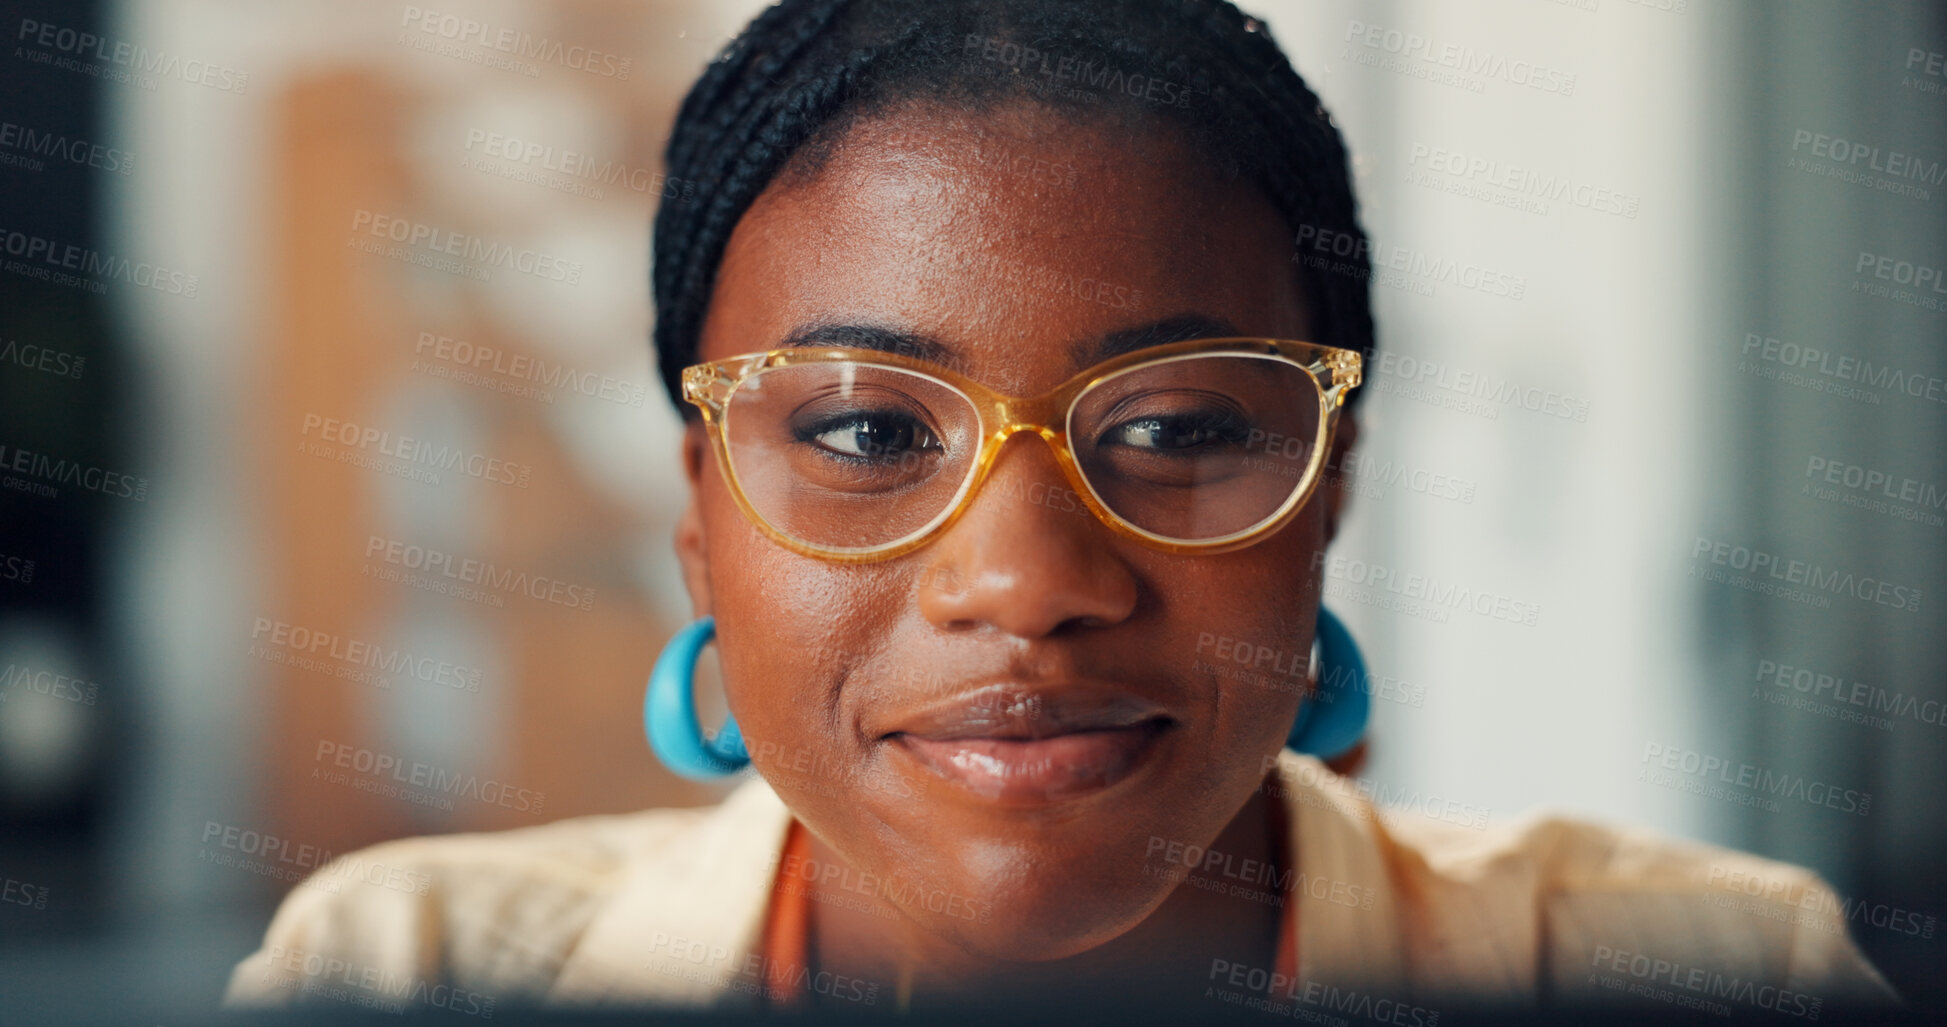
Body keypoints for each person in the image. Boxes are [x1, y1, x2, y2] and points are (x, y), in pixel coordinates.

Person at [225, 0, 1895, 1015]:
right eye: (868, 429)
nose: (1024, 581)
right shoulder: (406, 971)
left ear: (1329, 489)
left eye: (1173, 427)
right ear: (698, 520)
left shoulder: (1716, 974)